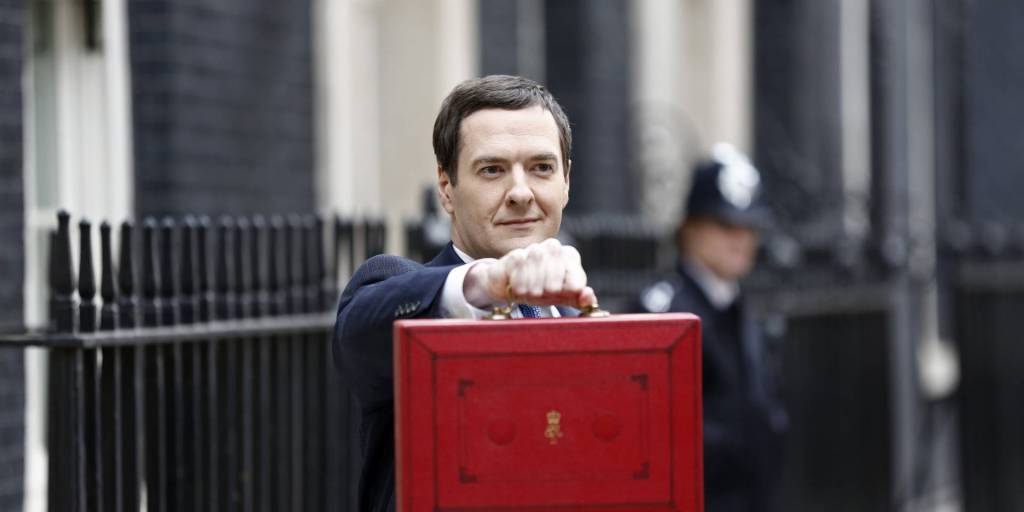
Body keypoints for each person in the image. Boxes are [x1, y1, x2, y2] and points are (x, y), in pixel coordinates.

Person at [333, 75, 596, 512]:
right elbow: (359, 334)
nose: (519, 192)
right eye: (492, 169)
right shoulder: (401, 290)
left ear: (566, 181)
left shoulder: (580, 318)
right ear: (446, 188)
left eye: (541, 168)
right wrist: (487, 283)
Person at [637, 144, 788, 512]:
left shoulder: (739, 306)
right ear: (690, 228)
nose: (741, 239)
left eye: (749, 227)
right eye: (725, 225)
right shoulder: (666, 310)